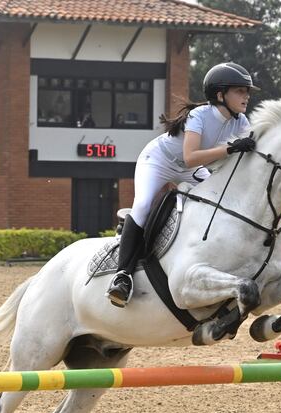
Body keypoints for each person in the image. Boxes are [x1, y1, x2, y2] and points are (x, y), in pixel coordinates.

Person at [106, 62, 259, 307]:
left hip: (190, 170)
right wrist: (230, 148)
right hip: (159, 160)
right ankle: (122, 276)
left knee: (220, 202)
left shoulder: (240, 121)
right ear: (220, 95)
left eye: (247, 91)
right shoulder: (200, 115)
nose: (246, 96)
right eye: (240, 90)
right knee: (143, 205)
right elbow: (190, 156)